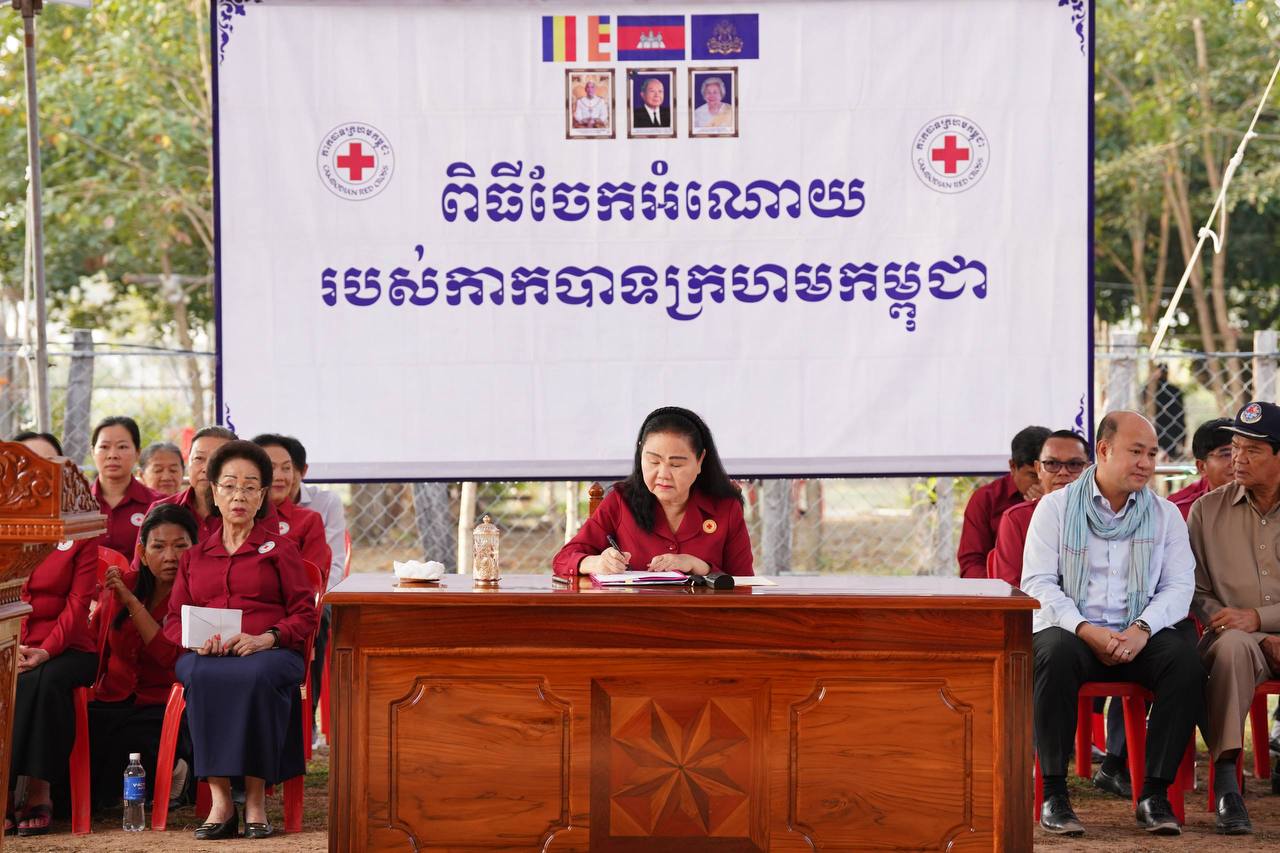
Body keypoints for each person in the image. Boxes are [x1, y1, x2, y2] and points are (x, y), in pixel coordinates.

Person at [1022, 411, 1203, 837]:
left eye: (1152, 454)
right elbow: (1038, 583)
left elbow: (1179, 587)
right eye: (1136, 452)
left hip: (1137, 635)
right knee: (1052, 652)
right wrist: (1086, 629)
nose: (1146, 463)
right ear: (1103, 451)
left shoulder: (1165, 515)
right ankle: (1054, 793)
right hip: (1075, 634)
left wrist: (1141, 628)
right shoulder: (1056, 508)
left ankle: (1154, 793)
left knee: (1186, 662)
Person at [163, 440, 319, 840]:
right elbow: (173, 619)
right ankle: (220, 801)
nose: (239, 496)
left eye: (250, 487)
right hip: (208, 654)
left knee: (255, 675)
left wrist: (268, 638)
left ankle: (254, 799)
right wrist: (195, 642)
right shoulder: (195, 556)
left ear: (262, 496)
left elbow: (305, 614)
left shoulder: (280, 550)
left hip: (270, 652)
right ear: (214, 492)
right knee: (202, 674)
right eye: (230, 485)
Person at [1189, 401, 1280, 834]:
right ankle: (1227, 782)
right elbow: (1196, 592)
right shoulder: (1205, 511)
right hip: (1235, 639)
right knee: (1231, 648)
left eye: (1253, 450)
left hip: (1255, 628)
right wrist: (1249, 629)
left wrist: (1260, 618)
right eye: (1235, 447)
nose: (1238, 459)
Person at [5, 432, 98, 836]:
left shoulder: (79, 528)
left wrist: (45, 650)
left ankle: (38, 791)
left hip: (68, 647)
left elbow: (78, 604)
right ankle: (5, 790)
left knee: (41, 681)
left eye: (45, 464)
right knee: (13, 677)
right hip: (8, 640)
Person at [553, 406, 753, 578]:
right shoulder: (620, 501)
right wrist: (596, 563)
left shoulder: (726, 508)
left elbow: (744, 583)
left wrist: (699, 566)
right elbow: (563, 559)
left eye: (676, 464)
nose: (663, 474)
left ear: (700, 460)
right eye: (653, 461)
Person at [88, 504, 192, 812]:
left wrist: (132, 604)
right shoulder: (124, 584)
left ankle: (178, 771)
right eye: (158, 547)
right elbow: (94, 642)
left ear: (195, 550)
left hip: (164, 703)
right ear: (142, 553)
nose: (170, 556)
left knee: (135, 742)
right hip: (113, 696)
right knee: (79, 731)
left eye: (180, 546)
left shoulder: (198, 596)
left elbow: (169, 658)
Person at [991, 430, 1091, 586]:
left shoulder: (1105, 515)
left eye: (1074, 465)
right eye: (1052, 464)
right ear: (1038, 469)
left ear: (1089, 469)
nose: (1063, 472)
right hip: (1034, 602)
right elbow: (1010, 589)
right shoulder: (1017, 519)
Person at [957, 425, 1050, 578]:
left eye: (1046, 473)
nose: (1041, 483)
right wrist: (1002, 586)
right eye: (1033, 475)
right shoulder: (986, 499)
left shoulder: (1064, 497)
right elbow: (971, 564)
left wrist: (1048, 505)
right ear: (1013, 467)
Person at [251, 434, 333, 585]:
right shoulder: (230, 516)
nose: (280, 476)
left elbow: (311, 583)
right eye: (271, 467)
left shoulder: (309, 521)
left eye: (286, 468)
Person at [91, 416, 161, 556]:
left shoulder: (157, 504)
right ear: (93, 452)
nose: (112, 455)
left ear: (137, 453)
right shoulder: (73, 505)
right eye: (104, 447)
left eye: (122, 447)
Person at [148, 426, 237, 530]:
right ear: (188, 463)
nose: (206, 469)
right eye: (199, 458)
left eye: (218, 460)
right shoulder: (161, 511)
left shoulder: (248, 513)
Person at [1168, 417, 1234, 519]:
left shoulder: (1259, 503)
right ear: (1202, 467)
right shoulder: (1182, 513)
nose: (1237, 460)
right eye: (1226, 454)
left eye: (1240, 451)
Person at [1152, 365, 1187, 459]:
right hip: (1171, 431)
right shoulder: (1175, 390)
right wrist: (1183, 439)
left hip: (1160, 429)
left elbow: (1180, 415)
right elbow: (1181, 417)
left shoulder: (1148, 390)